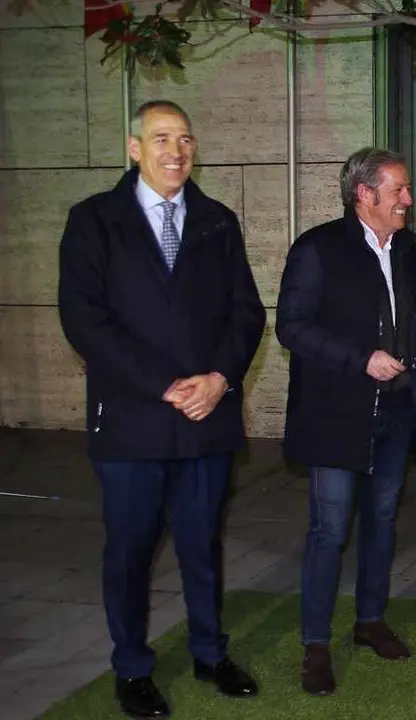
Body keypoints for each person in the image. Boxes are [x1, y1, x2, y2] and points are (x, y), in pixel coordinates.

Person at [57, 100, 264, 718]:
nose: (176, 151)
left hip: (209, 418)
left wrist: (221, 379)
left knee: (203, 544)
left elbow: (246, 313)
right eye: (162, 138)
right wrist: (167, 385)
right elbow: (84, 320)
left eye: (185, 140)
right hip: (133, 420)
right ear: (134, 148)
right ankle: (132, 666)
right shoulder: (94, 220)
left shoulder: (218, 221)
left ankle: (209, 653)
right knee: (130, 550)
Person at [275, 147, 416, 695]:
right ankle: (316, 645)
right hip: (337, 417)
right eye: (398, 190)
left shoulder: (408, 248)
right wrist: (360, 357)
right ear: (364, 195)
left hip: (397, 411)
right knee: (329, 530)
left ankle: (370, 622)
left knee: (383, 521)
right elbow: (292, 327)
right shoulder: (318, 248)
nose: (408, 200)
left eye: (407, 189)